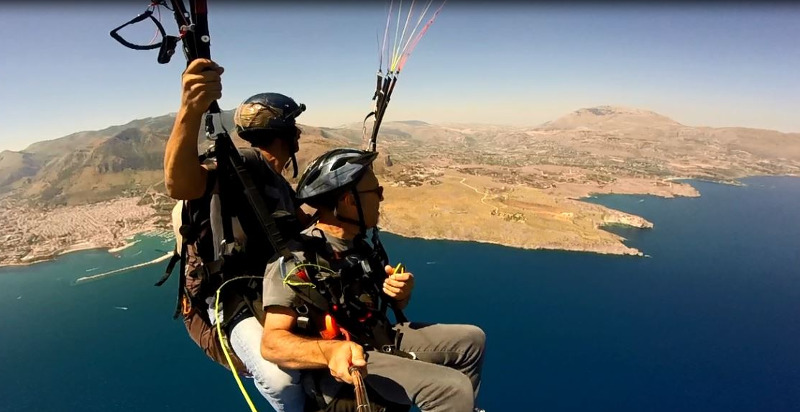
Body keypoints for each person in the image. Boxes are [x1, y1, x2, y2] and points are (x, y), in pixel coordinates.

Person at [260, 148, 487, 412]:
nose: (382, 197)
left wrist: (400, 294)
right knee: (450, 387)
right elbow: (271, 343)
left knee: (472, 340)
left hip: (378, 339)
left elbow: (384, 303)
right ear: (349, 200)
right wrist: (330, 352)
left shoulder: (358, 247)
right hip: (347, 366)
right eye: (375, 192)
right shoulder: (298, 259)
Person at [163, 58, 309, 412]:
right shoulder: (232, 169)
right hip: (228, 299)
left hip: (270, 291)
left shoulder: (276, 187)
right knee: (280, 379)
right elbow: (179, 183)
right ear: (288, 138)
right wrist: (190, 111)